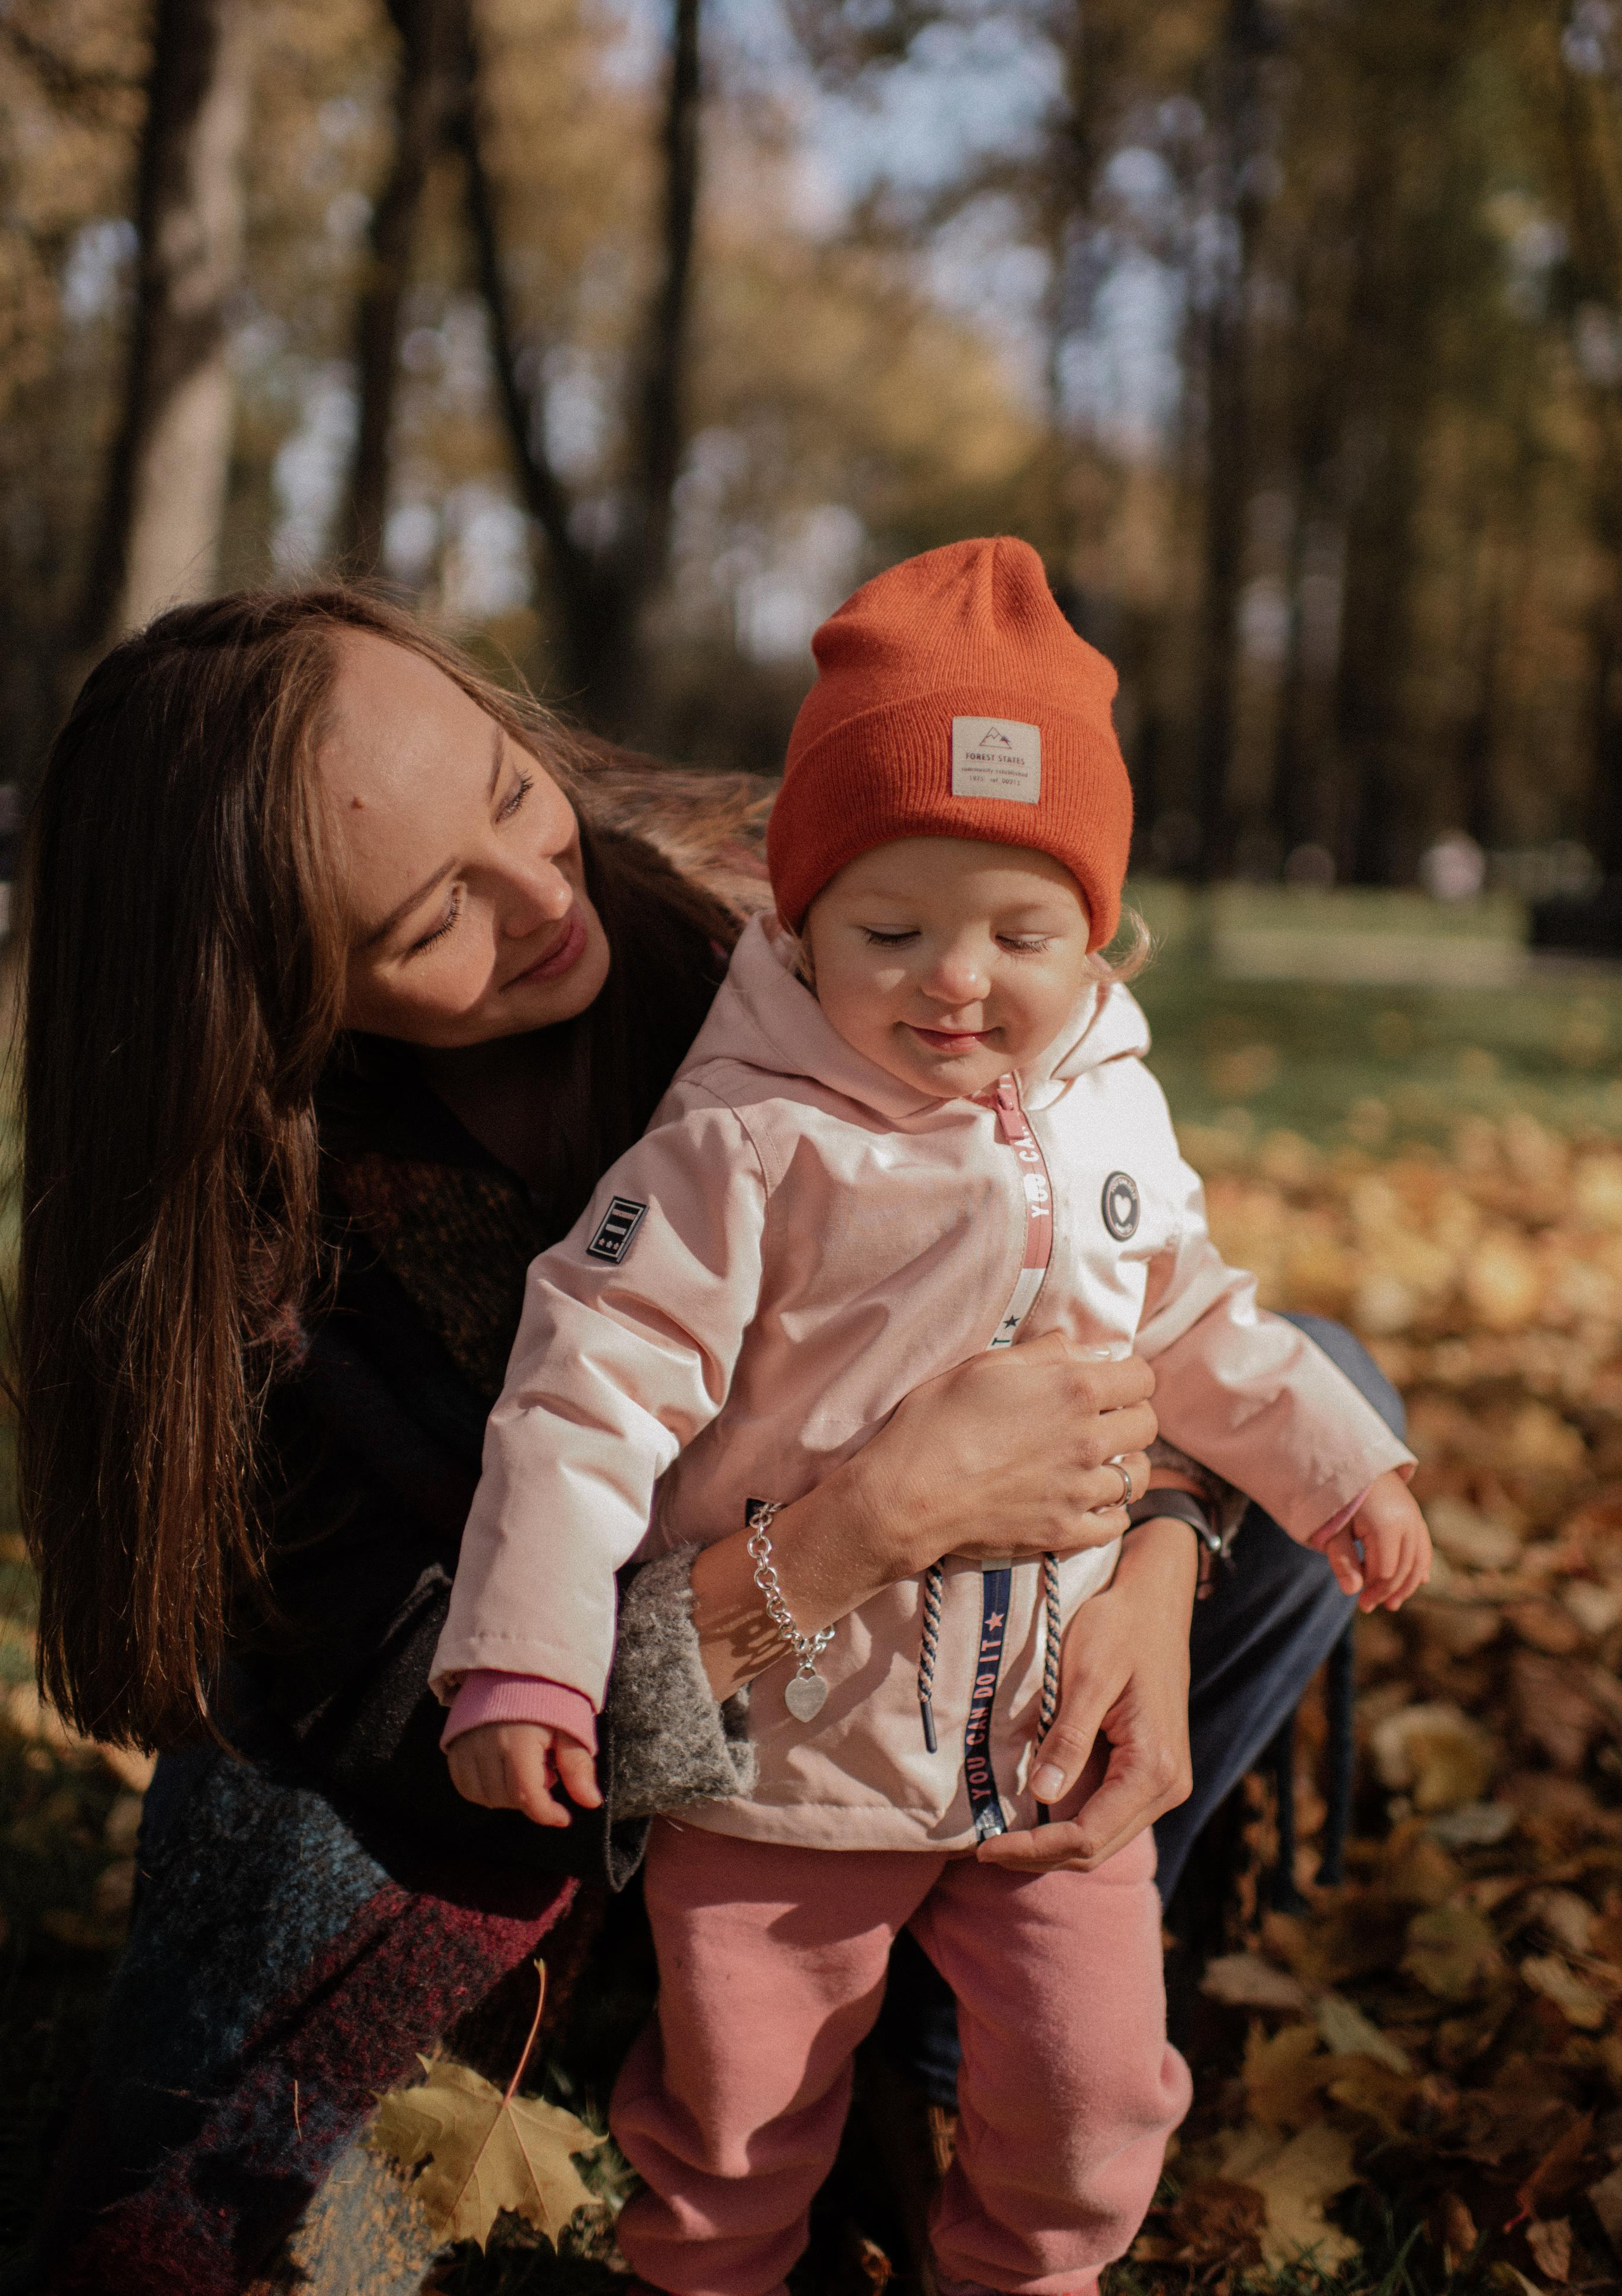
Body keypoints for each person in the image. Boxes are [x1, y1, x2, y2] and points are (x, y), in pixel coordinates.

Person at [11, 586, 1182, 2296]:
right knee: (221, 2078)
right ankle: (707, 2078)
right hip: (555, 1785)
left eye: (509, 791)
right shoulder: (262, 1289)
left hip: (951, 1692)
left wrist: (1158, 1548)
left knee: (1318, 1404)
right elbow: (437, 1733)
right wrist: (869, 1525)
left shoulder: (758, 911)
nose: (543, 893)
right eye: (431, 921)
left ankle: (979, 2032)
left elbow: (1105, 1234)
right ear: (273, 1010)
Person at [433, 538, 1430, 2296]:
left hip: (1038, 1757)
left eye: (1021, 932)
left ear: (1102, 933)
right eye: (892, 930)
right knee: (736, 2124)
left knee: (1102, 2089)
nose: (956, 981)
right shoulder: (743, 1146)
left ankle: (1028, 2266)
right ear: (798, 925)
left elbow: (1195, 1313)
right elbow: (581, 1393)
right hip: (788, 1778)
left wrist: (1340, 1462)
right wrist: (522, 1655)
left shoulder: (1109, 1108)